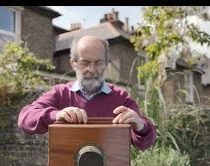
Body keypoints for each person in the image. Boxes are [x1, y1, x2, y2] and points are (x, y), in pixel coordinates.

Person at [17, 35, 156, 151]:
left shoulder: (121, 97)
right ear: (73, 64)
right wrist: (57, 115)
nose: (92, 69)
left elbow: (145, 142)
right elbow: (25, 118)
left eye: (98, 63)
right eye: (85, 63)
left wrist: (141, 126)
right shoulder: (60, 93)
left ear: (106, 63)